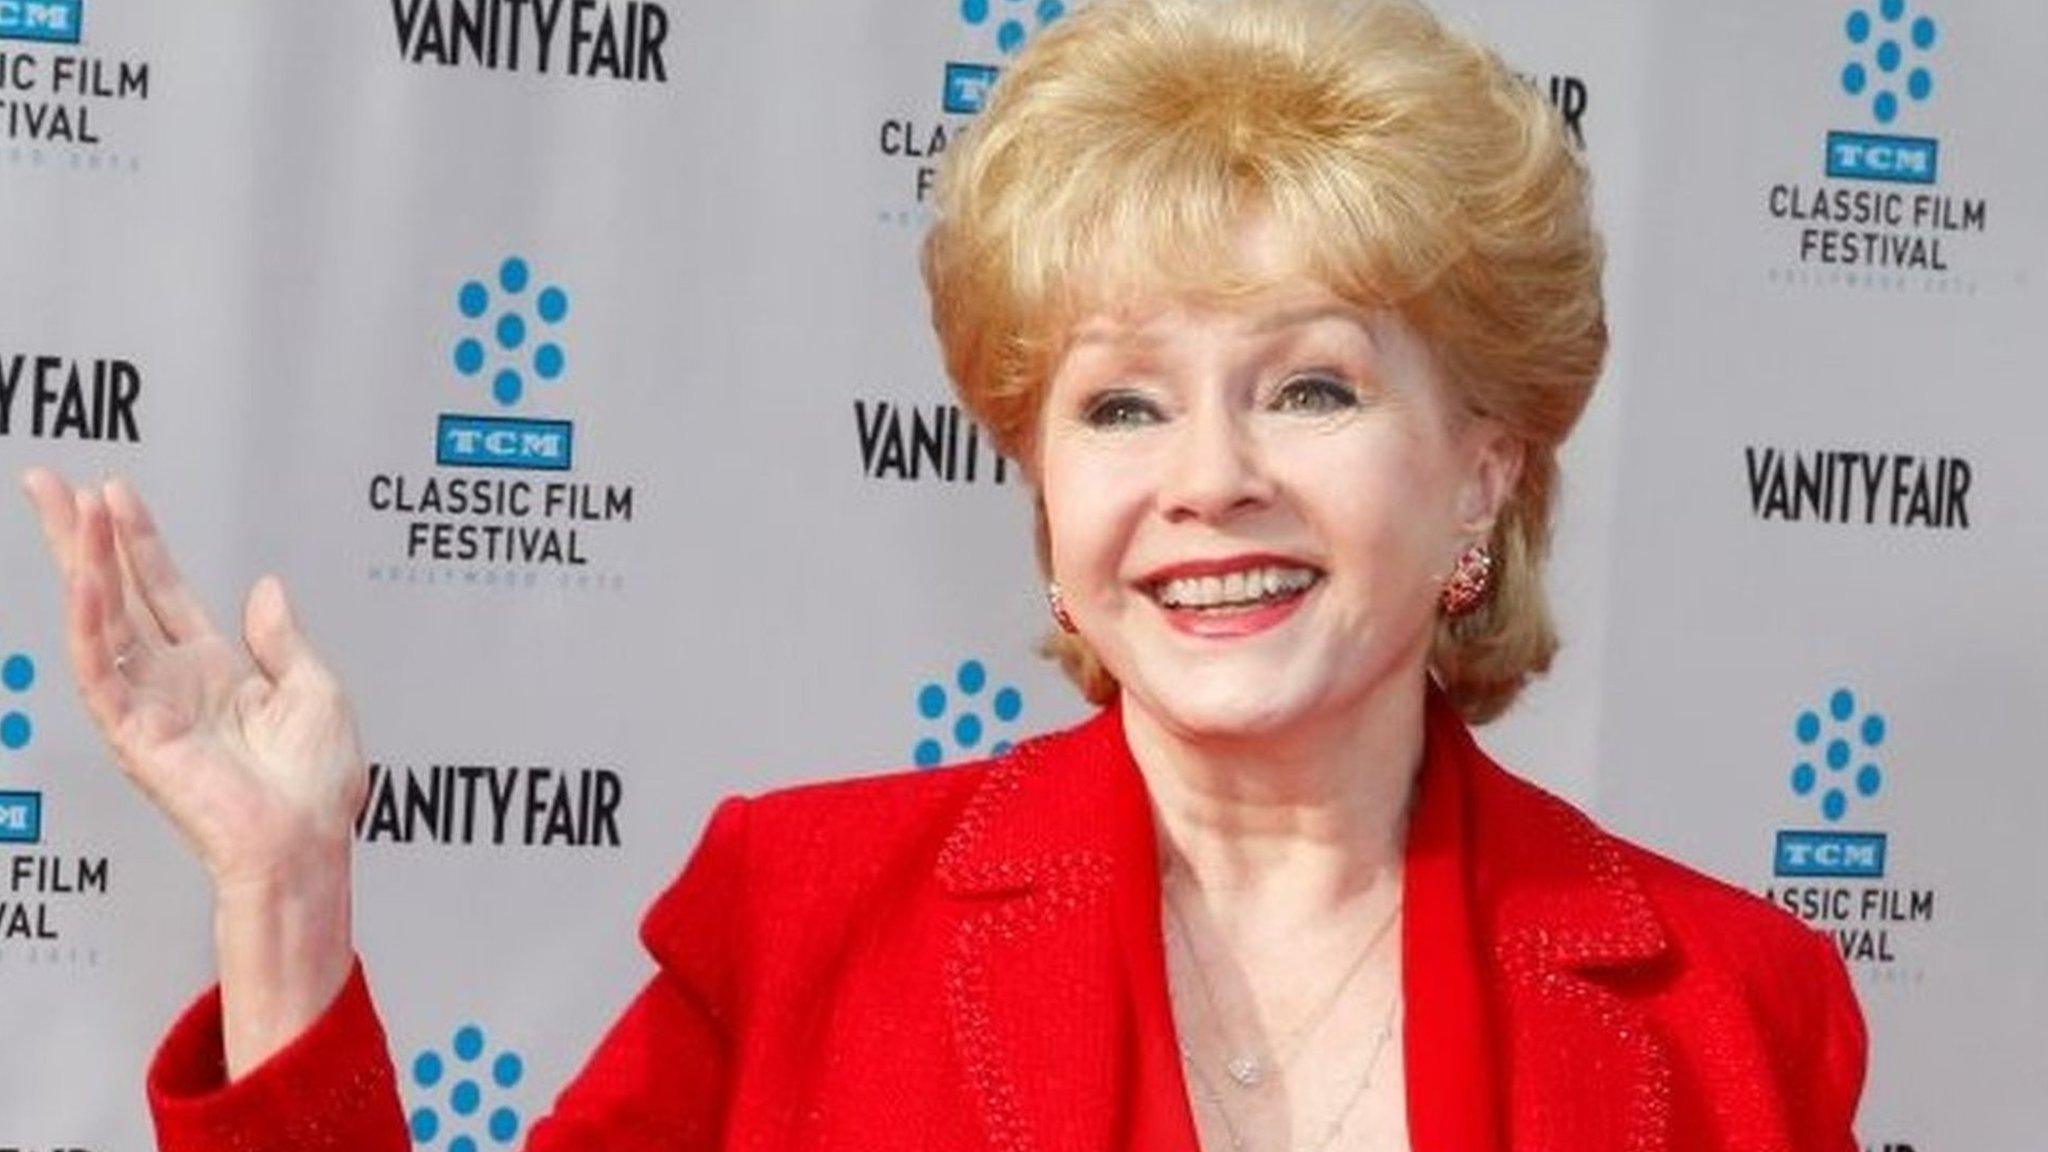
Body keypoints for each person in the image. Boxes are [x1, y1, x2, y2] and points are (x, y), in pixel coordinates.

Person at [21, 0, 1866, 1149]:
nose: (1208, 481)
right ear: (1048, 500)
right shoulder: (800, 917)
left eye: (1308, 385)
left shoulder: (1739, 1007)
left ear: (1483, 469)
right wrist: (282, 898)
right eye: (1122, 405)